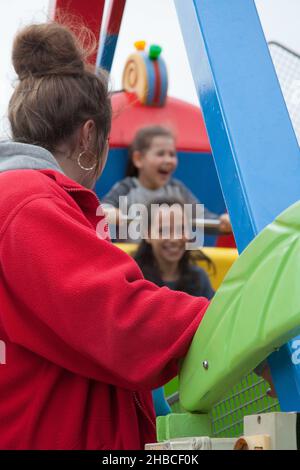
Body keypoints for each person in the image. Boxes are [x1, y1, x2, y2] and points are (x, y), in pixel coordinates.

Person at [0, 21, 211, 451]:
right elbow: (120, 318)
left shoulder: (21, 198)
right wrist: (225, 318)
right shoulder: (29, 203)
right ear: (89, 135)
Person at [134, 197, 215, 416]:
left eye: (180, 229)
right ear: (147, 235)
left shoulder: (198, 278)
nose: (173, 238)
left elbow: (215, 322)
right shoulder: (136, 276)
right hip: (151, 377)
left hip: (192, 371)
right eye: (163, 230)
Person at [102, 125, 232, 240]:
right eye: (160, 154)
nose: (168, 160)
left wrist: (223, 223)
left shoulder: (177, 190)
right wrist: (112, 213)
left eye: (172, 154)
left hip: (168, 260)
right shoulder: (127, 188)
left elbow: (204, 218)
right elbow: (102, 210)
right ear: (138, 159)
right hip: (136, 261)